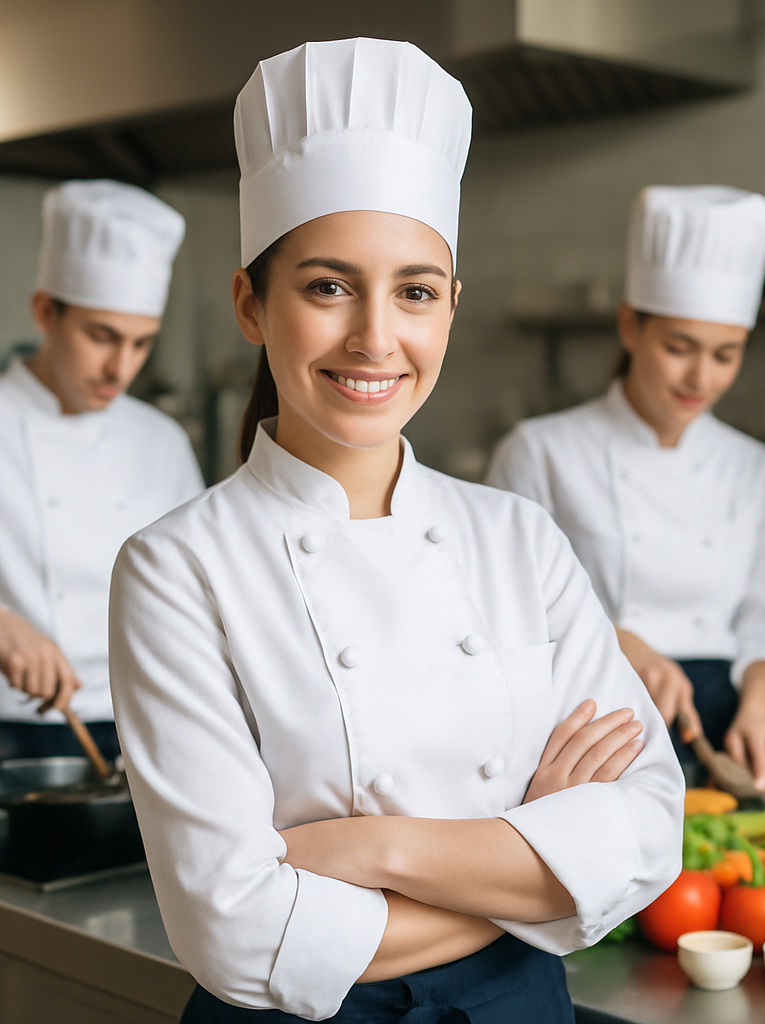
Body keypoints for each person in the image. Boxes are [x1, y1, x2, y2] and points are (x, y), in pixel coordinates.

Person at [108, 38, 684, 1022]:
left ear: (450, 307)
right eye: (328, 286)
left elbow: (647, 835)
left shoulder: (519, 538)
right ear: (252, 302)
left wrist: (379, 850)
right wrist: (530, 857)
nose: (377, 337)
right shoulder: (175, 568)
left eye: (414, 290)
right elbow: (235, 928)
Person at [488, 186, 765, 790]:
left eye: (725, 355)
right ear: (631, 327)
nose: (700, 377)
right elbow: (506, 612)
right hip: (588, 731)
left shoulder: (754, 466)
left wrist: (760, 708)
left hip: (719, 733)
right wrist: (619, 641)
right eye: (680, 348)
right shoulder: (540, 450)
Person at [0, 179, 203, 762]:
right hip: (13, 727)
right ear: (45, 311)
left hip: (139, 722)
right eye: (101, 336)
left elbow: (191, 591)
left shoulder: (160, 440)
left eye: (141, 345)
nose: (120, 367)